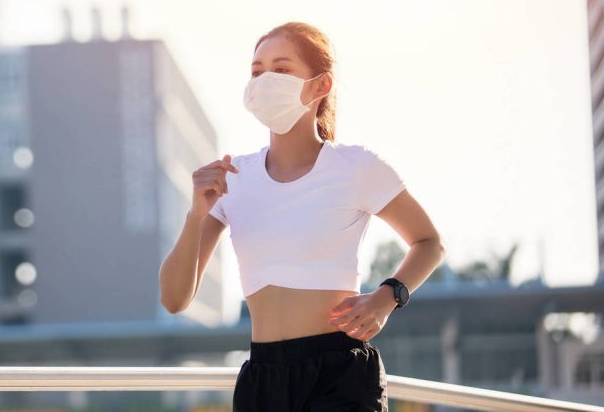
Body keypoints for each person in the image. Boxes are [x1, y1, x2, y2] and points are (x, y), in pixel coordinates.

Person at [159, 22, 446, 411]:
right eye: (256, 72)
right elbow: (175, 300)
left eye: (281, 69)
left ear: (319, 86)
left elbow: (429, 242)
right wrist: (196, 214)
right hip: (262, 379)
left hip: (339, 375)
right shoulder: (231, 179)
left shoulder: (355, 166)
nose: (264, 82)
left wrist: (386, 297)